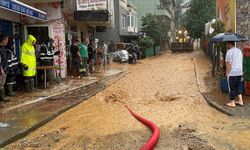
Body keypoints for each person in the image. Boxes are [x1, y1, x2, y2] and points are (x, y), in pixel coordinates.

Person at [225, 41, 244, 107]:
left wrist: (227, 73)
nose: (226, 45)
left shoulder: (229, 52)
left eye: (226, 44)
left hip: (232, 73)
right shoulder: (239, 51)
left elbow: (228, 64)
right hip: (239, 72)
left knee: (232, 88)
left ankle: (232, 102)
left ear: (229, 44)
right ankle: (240, 101)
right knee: (238, 87)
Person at [0, 34, 9, 101]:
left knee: (2, 84)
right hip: (1, 70)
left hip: (5, 69)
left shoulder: (3, 48)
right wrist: (1, 70)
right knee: (0, 84)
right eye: (6, 40)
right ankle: (2, 99)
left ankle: (3, 98)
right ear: (3, 40)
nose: (7, 41)